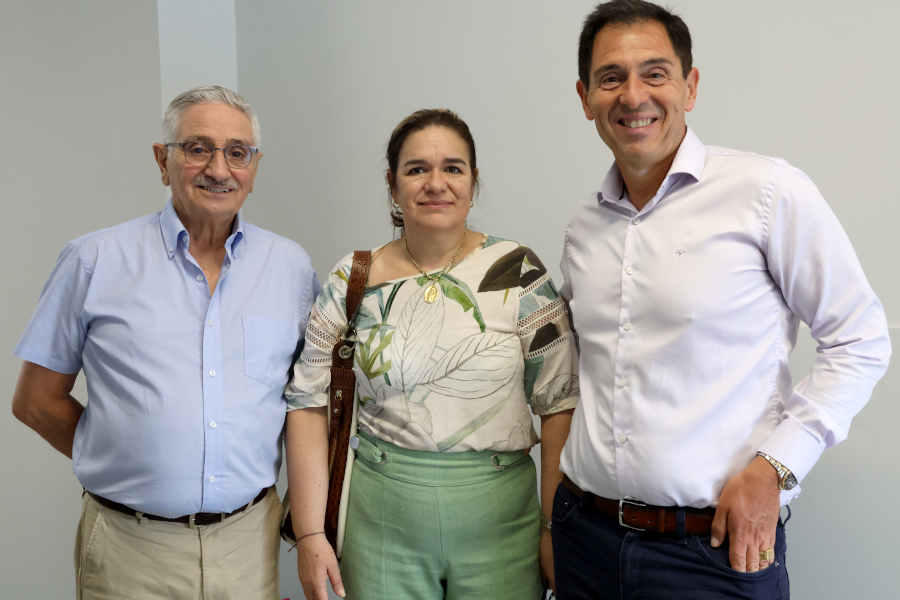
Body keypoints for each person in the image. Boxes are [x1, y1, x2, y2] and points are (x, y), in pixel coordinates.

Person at [552, 1, 892, 598]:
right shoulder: (584, 227)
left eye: (655, 73)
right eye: (612, 77)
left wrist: (775, 469)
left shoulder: (766, 192)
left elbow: (860, 339)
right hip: (585, 538)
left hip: (712, 553)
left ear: (691, 85)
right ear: (585, 98)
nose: (634, 95)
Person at [11, 85, 320, 600]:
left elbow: (305, 403)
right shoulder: (93, 260)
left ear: (254, 166)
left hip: (249, 544)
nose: (219, 169)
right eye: (198, 148)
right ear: (163, 160)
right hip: (129, 549)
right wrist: (121, 455)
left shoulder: (291, 268)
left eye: (237, 153)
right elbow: (35, 401)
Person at [284, 108, 579, 600]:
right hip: (382, 522)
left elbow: (560, 403)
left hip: (503, 522)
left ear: (473, 180)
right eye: (416, 169)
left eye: (453, 168)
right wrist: (312, 535)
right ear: (393, 185)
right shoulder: (352, 280)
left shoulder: (519, 272)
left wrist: (553, 528)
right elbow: (308, 404)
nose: (435, 183)